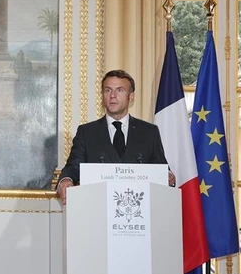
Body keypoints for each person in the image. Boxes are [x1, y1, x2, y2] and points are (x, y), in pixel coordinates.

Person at [57, 69, 176, 204]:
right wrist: (65, 179)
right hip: (97, 210)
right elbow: (73, 166)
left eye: (119, 90)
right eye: (107, 90)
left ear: (131, 97)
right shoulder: (87, 132)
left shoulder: (149, 132)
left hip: (138, 213)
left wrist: (168, 177)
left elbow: (162, 169)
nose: (112, 96)